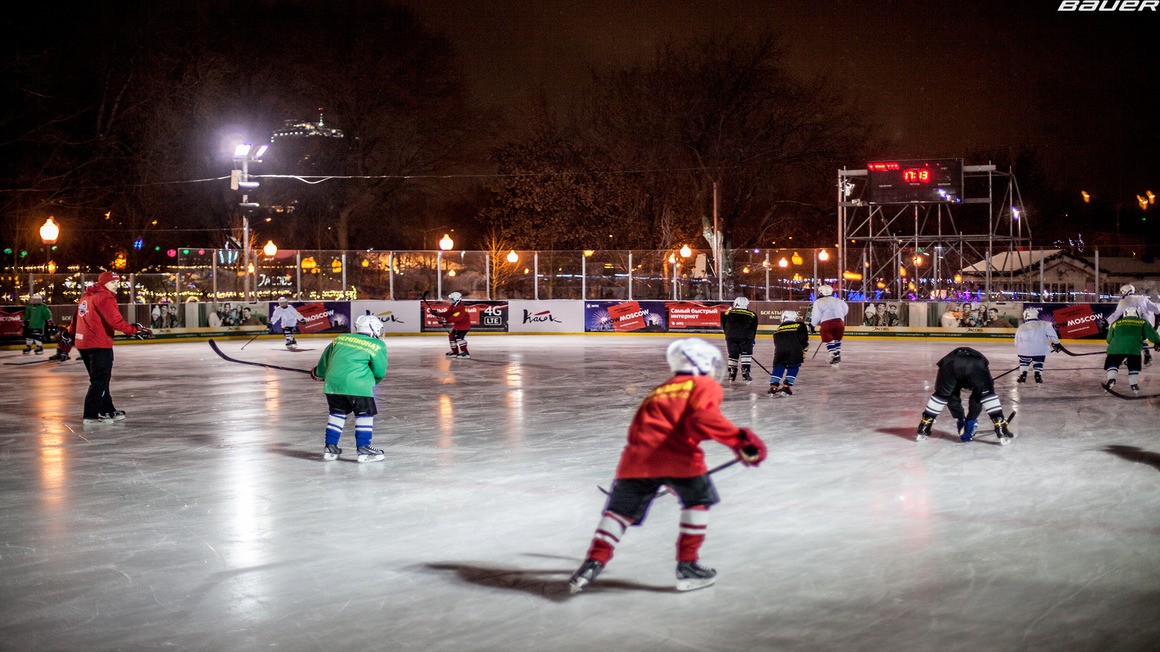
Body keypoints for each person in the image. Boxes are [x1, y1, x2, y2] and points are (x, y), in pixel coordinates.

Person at [568, 338, 767, 595]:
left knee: (619, 513)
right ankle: (688, 566)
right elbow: (703, 418)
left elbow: (642, 427)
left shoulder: (661, 390)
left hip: (635, 461)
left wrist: (653, 471)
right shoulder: (702, 384)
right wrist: (742, 442)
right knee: (697, 500)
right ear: (700, 362)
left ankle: (592, 563)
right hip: (680, 458)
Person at [74, 271, 153, 424]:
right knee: (100, 380)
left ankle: (106, 410)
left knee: (100, 380)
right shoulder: (105, 297)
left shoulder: (87, 296)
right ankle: (90, 414)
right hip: (99, 343)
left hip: (84, 343)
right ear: (104, 283)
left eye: (118, 282)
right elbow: (115, 322)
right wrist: (133, 330)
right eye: (113, 282)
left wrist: (69, 333)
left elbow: (76, 318)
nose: (117, 285)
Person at [311, 314, 389, 462]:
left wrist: (319, 373)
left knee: (337, 414)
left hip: (333, 386)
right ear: (374, 329)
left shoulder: (340, 338)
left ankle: (330, 447)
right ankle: (364, 448)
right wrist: (369, 382)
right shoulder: (377, 345)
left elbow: (324, 362)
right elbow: (379, 372)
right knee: (364, 414)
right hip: (358, 386)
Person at [915, 347, 1016, 445]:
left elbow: (952, 399)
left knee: (942, 395)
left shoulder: (956, 383)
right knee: (986, 395)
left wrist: (960, 419)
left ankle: (925, 426)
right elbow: (976, 399)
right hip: (976, 362)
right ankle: (1000, 426)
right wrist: (970, 420)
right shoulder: (973, 378)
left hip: (950, 362)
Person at [1102, 306, 1160, 395]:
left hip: (1115, 348)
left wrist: (1117, 345)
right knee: (1134, 364)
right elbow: (1153, 336)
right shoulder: (1143, 322)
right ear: (1138, 313)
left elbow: (1109, 339)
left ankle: (1111, 379)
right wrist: (1158, 343)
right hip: (1133, 349)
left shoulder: (1116, 323)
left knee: (1112, 362)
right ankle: (1134, 384)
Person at [1106, 285, 1160, 366]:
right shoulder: (1143, 298)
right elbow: (1157, 311)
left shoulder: (1123, 301)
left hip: (1130, 324)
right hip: (1145, 324)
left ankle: (1124, 357)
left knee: (1127, 338)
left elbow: (1116, 315)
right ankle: (1146, 355)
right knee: (1140, 338)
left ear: (1125, 291)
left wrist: (1108, 322)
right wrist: (1155, 327)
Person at [1014, 307, 1061, 384]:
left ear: (1026, 315)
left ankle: (1023, 375)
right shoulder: (1045, 324)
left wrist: (1020, 348)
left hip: (1024, 350)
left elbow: (1016, 341)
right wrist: (1057, 343)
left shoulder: (1021, 327)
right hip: (1040, 350)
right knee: (1038, 361)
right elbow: (1053, 335)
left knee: (1024, 361)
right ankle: (1038, 376)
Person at [767, 310, 809, 396]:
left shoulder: (779, 329)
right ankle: (787, 386)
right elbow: (803, 340)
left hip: (780, 351)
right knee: (793, 367)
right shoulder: (800, 325)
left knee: (779, 366)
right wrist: (804, 351)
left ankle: (774, 386)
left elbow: (777, 343)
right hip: (795, 350)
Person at [719, 297, 758, 383]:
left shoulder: (727, 313)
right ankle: (745, 374)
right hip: (746, 338)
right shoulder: (752, 314)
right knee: (746, 355)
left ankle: (732, 374)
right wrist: (752, 340)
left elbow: (723, 324)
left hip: (731, 337)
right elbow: (754, 328)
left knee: (733, 354)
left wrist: (728, 335)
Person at [809, 284, 849, 367]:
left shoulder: (818, 302)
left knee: (828, 339)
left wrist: (812, 325)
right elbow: (845, 311)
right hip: (839, 322)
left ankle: (834, 355)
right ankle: (837, 353)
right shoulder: (839, 300)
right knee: (837, 339)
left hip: (827, 323)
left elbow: (816, 315)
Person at [427, 292, 472, 358]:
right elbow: (448, 313)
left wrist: (445, 321)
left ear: (456, 299)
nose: (450, 300)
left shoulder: (461, 307)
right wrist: (437, 313)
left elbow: (457, 317)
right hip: (457, 326)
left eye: (452, 299)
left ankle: (465, 353)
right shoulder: (453, 306)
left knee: (459, 338)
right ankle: (455, 352)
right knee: (451, 337)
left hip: (463, 326)